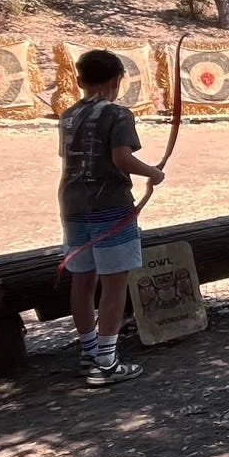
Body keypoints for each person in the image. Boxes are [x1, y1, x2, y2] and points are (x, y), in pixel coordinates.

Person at [58, 48, 167, 389]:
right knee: (114, 281)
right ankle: (106, 360)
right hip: (109, 204)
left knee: (83, 278)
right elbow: (120, 158)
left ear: (80, 81)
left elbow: (72, 157)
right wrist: (153, 173)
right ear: (118, 80)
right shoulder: (118, 114)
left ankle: (89, 351)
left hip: (73, 204)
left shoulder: (68, 114)